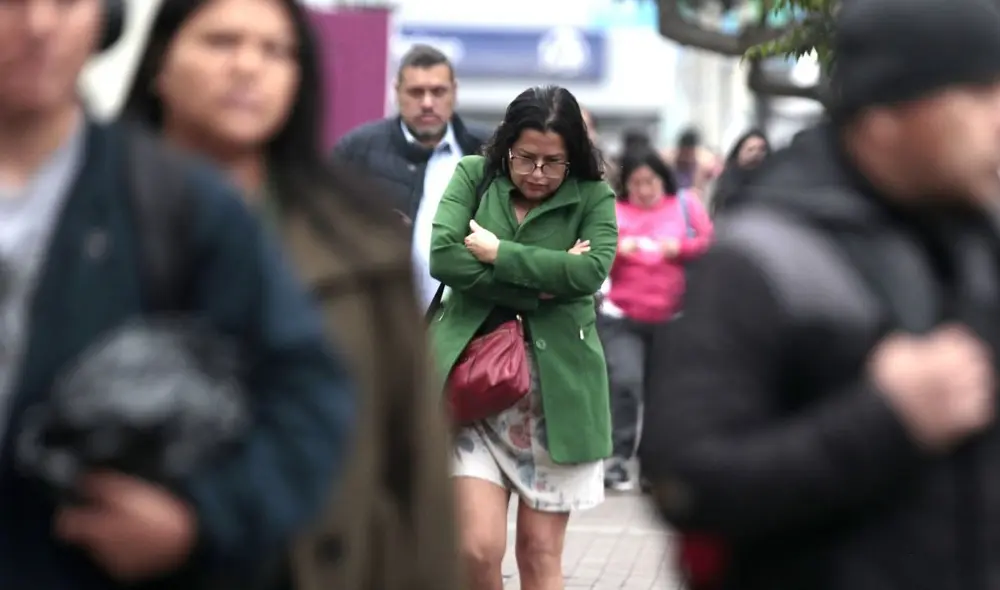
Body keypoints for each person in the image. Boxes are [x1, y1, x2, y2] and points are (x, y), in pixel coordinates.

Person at [640, 0, 1000, 588]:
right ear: (886, 114)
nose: (998, 120)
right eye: (980, 94)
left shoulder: (977, 246)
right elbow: (685, 481)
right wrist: (884, 419)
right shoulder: (763, 258)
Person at [0, 0, 356, 588]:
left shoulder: (176, 204)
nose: (38, 25)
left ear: (104, 19)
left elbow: (307, 400)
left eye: (65, 3)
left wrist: (199, 519)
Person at [122, 1, 459, 589]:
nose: (248, 66)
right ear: (159, 63)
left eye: (275, 50)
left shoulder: (358, 242)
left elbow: (414, 462)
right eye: (221, 42)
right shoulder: (89, 223)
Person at [429, 85, 617, 590]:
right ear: (506, 145)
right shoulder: (473, 175)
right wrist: (546, 281)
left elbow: (590, 273)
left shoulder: (593, 196)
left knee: (538, 555)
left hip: (558, 400)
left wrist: (499, 254)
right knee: (474, 550)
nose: (537, 173)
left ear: (573, 156)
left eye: (553, 162)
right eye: (525, 158)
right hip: (473, 388)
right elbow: (443, 256)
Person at [333, 44, 490, 309]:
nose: (427, 103)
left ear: (454, 92)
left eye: (438, 91)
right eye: (416, 92)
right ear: (397, 92)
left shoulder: (486, 150)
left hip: (466, 317)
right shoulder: (358, 150)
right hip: (383, 312)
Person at [599, 149, 712, 492]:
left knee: (663, 395)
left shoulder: (685, 205)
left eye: (650, 181)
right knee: (625, 383)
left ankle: (654, 465)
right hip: (623, 316)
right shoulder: (614, 211)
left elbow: (710, 244)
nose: (644, 190)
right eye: (636, 183)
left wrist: (680, 249)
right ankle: (618, 458)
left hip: (672, 317)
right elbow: (596, 255)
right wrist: (619, 251)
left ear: (663, 180)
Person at [710, 129, 770, 216]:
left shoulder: (772, 183)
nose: (756, 154)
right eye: (750, 150)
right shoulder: (727, 183)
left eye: (761, 150)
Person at [660, 127, 719, 194]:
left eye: (689, 153)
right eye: (684, 152)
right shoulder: (668, 161)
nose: (686, 156)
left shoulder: (702, 165)